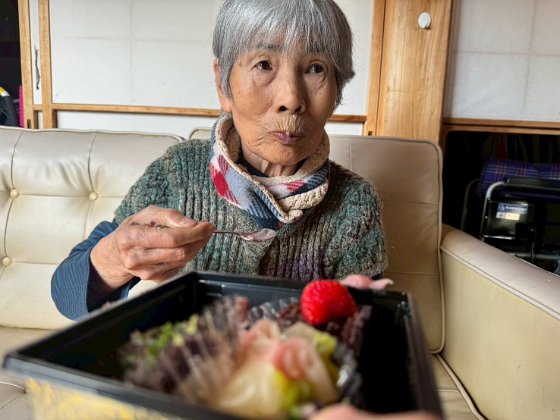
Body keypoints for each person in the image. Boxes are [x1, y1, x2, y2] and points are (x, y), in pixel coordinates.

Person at [51, 0, 387, 320]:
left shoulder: (353, 203)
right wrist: (115, 258)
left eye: (316, 68)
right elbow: (67, 296)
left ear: (337, 89)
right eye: (264, 64)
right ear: (222, 83)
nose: (291, 98)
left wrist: (350, 310)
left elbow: (372, 329)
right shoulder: (179, 172)